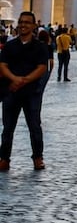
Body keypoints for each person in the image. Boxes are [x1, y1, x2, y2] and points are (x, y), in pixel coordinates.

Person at [0, 11, 50, 171]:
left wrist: (24, 80)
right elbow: (2, 65)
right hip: (11, 91)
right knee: (7, 128)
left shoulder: (40, 47)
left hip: (31, 92)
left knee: (35, 126)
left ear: (34, 26)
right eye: (21, 22)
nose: (23, 25)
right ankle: (4, 158)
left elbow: (42, 68)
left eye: (27, 22)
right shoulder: (10, 45)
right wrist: (14, 79)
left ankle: (38, 158)